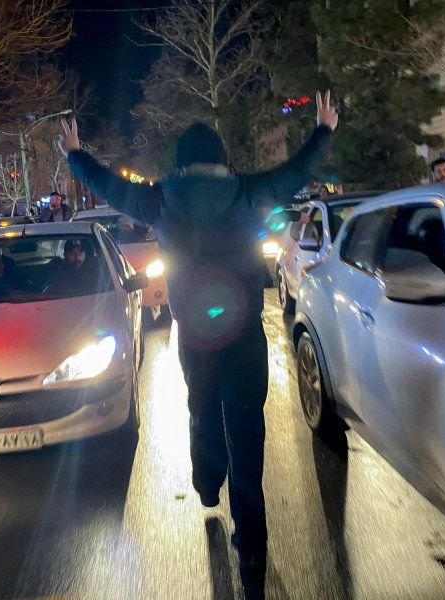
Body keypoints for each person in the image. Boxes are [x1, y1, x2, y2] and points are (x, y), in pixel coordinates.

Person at [58, 90, 338, 599]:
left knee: (202, 407)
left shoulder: (159, 198)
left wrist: (76, 154)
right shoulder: (249, 192)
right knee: (247, 433)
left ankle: (208, 481)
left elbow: (108, 187)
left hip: (195, 334)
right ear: (221, 158)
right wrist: (324, 129)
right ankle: (252, 554)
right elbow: (297, 171)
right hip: (245, 335)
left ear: (182, 164)